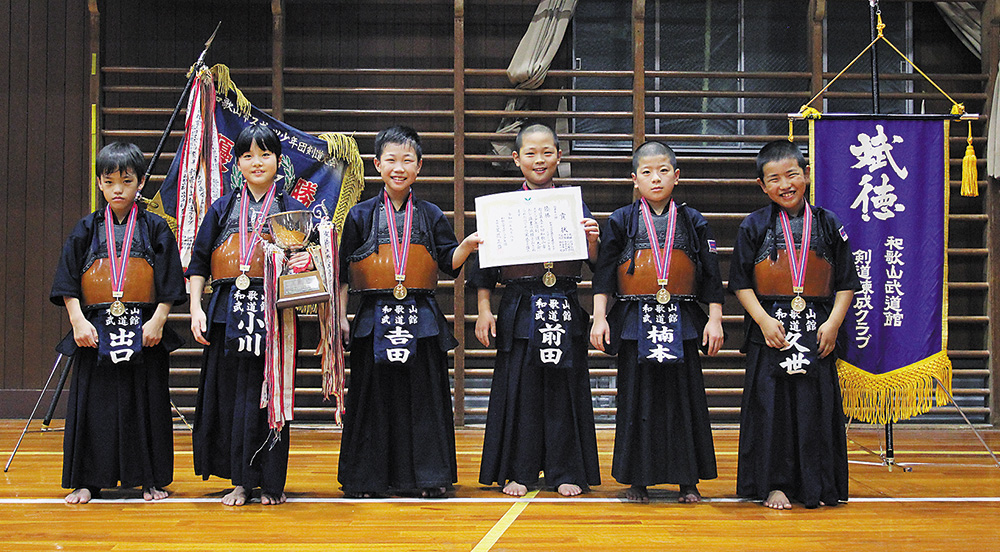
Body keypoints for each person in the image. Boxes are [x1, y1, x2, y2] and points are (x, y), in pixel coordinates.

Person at [337, 125, 480, 499]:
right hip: (373, 315)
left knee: (424, 399)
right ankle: (366, 480)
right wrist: (339, 317)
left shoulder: (431, 214)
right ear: (377, 164)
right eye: (391, 160)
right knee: (372, 399)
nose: (398, 168)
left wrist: (466, 244)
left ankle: (430, 477)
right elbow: (341, 273)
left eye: (407, 160)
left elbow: (449, 263)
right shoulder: (359, 215)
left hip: (421, 316)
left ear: (419, 166)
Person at [51, 142, 187, 504]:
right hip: (95, 328)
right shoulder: (85, 228)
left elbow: (172, 284)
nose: (117, 189)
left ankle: (151, 480)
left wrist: (158, 321)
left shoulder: (157, 228)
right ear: (99, 183)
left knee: (147, 404)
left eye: (126, 181)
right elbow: (66, 282)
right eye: (109, 181)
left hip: (144, 327)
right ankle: (87, 481)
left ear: (140, 183)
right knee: (93, 407)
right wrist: (77, 321)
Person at [471, 123, 601, 497]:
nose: (539, 160)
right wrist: (484, 310)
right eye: (530, 153)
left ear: (560, 156)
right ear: (516, 159)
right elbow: (484, 270)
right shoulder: (502, 208)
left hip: (563, 302)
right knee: (522, 392)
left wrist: (593, 240)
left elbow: (597, 263)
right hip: (519, 305)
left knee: (564, 390)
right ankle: (520, 471)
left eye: (547, 152)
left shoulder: (575, 204)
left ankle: (566, 470)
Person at [590, 141, 723, 503]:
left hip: (681, 316)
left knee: (685, 398)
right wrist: (600, 317)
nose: (656, 178)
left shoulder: (694, 220)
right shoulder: (621, 219)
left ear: (676, 176)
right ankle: (637, 480)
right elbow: (604, 273)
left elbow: (711, 274)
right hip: (635, 317)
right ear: (635, 180)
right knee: (636, 399)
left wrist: (715, 319)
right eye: (647, 172)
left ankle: (688, 481)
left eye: (663, 170)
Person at [729, 140, 859, 509]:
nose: (785, 185)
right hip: (772, 329)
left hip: (817, 327)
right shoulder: (753, 225)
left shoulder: (829, 223)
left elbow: (847, 282)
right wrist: (764, 321)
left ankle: (817, 486)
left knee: (814, 408)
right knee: (771, 410)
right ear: (762, 186)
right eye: (774, 179)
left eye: (791, 175)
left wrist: (833, 323)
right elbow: (739, 283)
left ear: (807, 175)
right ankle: (774, 485)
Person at [187, 124, 312, 506]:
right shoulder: (222, 207)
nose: (257, 162)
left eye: (265, 154)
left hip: (273, 316)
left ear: (279, 160)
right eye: (247, 155)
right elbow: (198, 262)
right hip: (227, 313)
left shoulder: (292, 211)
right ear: (237, 162)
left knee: (268, 398)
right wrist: (195, 307)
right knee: (232, 398)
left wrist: (304, 262)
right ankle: (239, 480)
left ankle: (271, 482)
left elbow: (311, 271)